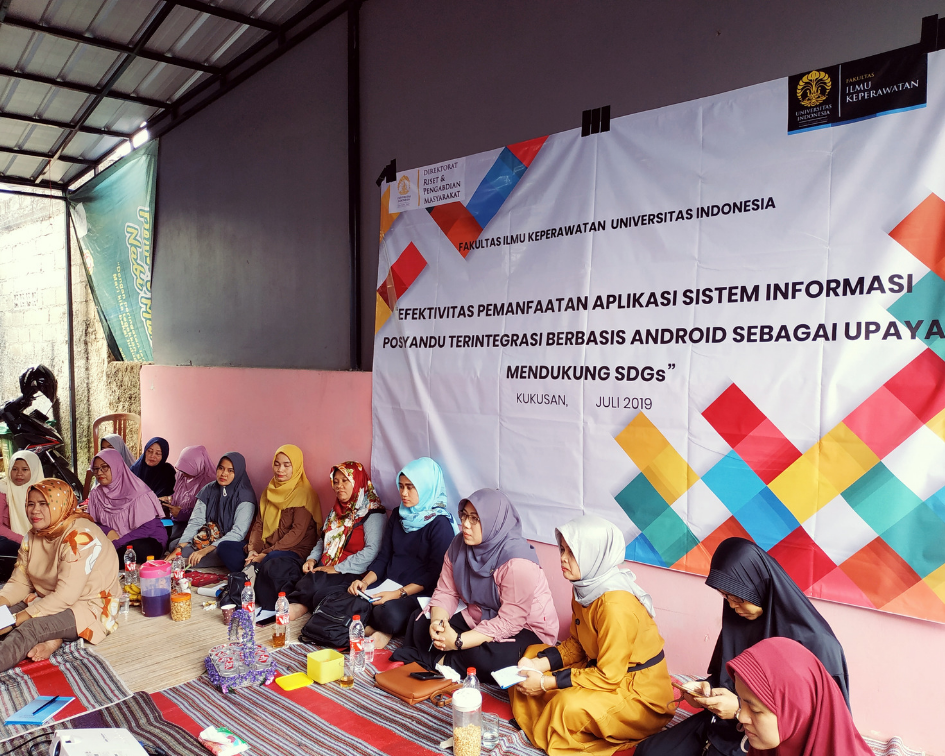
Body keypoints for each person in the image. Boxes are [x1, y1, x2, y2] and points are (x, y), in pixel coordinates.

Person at [634, 537, 850, 756]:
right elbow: (726, 678)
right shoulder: (740, 620)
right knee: (649, 752)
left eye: (738, 597)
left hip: (770, 737)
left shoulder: (817, 644)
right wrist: (705, 690)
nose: (732, 605)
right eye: (726, 597)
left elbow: (820, 722)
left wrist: (739, 710)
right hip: (723, 722)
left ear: (760, 586)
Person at [509, 515, 673, 755]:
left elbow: (609, 676)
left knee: (566, 705)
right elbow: (577, 645)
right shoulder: (585, 587)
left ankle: (550, 722)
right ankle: (546, 720)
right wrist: (536, 665)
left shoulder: (615, 606)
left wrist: (545, 682)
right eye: (562, 549)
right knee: (530, 657)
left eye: (573, 553)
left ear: (594, 555)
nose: (562, 558)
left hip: (637, 692)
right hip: (600, 668)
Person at [397, 488, 559, 680]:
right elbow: (446, 591)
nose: (465, 524)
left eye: (475, 519)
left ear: (494, 523)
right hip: (479, 616)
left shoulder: (517, 561)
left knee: (483, 657)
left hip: (525, 627)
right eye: (464, 515)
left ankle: (438, 660)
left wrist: (458, 641)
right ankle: (446, 661)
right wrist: (438, 624)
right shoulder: (459, 545)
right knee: (420, 623)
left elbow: (510, 621)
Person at [0, 479, 120, 670]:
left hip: (88, 604)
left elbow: (66, 596)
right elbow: (20, 582)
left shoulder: (80, 535)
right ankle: (54, 637)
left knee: (30, 627)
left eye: (43, 504)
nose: (35, 510)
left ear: (60, 504)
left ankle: (52, 634)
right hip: (47, 597)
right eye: (31, 504)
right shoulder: (33, 535)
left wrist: (16, 620)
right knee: (4, 615)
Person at [347, 457, 457, 650]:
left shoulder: (440, 524)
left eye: (410, 487)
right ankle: (376, 629)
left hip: (417, 592)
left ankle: (377, 628)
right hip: (388, 584)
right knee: (349, 596)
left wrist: (397, 594)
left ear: (426, 487)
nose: (404, 493)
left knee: (388, 614)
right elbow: (384, 556)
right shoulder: (399, 514)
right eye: (401, 486)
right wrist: (364, 583)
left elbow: (434, 575)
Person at [727, 637, 872, 756]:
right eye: (740, 701)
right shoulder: (767, 748)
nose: (741, 717)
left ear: (797, 712)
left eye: (755, 710)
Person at [286, 461, 385, 621]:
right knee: (290, 570)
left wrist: (337, 568)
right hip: (327, 566)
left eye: (345, 481)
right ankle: (303, 602)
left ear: (357, 481)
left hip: (353, 571)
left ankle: (302, 605)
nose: (339, 486)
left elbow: (372, 551)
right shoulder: (337, 511)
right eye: (336, 481)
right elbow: (323, 539)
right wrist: (312, 559)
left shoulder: (373, 513)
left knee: (317, 584)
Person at [246, 445, 320, 614]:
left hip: (294, 550)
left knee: (272, 559)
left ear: (297, 466)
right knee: (228, 548)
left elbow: (296, 533)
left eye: (287, 465)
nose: (280, 470)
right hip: (267, 547)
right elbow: (259, 524)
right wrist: (253, 550)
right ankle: (255, 570)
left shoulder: (304, 493)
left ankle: (255, 576)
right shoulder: (268, 491)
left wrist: (264, 554)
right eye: (277, 464)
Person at [170, 453, 257, 572]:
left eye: (230, 470)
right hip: (210, 536)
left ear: (238, 472)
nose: (223, 474)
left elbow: (238, 533)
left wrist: (204, 551)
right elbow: (196, 521)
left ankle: (186, 561)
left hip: (231, 542)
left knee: (223, 551)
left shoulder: (245, 495)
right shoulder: (208, 489)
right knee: (175, 545)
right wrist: (179, 547)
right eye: (221, 468)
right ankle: (186, 559)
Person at [85, 448, 167, 561]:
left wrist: (118, 543)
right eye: (96, 469)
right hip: (112, 540)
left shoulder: (138, 491)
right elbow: (92, 522)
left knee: (139, 550)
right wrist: (108, 531)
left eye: (104, 467)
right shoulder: (96, 493)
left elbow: (148, 528)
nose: (99, 473)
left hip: (145, 538)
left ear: (116, 467)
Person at [164, 445, 216, 542]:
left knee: (172, 543)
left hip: (198, 527)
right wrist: (170, 499)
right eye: (182, 470)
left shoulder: (210, 483)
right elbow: (181, 495)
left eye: (187, 469)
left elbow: (209, 513)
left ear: (197, 464)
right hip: (177, 522)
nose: (183, 473)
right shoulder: (182, 476)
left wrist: (182, 514)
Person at [0, 450, 44, 545]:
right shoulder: (3, 489)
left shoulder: (44, 490)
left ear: (34, 470)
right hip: (10, 541)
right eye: (14, 469)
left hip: (39, 539)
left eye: (25, 469)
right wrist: (24, 540)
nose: (19, 473)